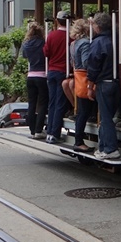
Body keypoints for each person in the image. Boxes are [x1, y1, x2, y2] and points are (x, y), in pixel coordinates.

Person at [87, 12, 121, 160]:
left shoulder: (98, 42)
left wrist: (90, 85)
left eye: (94, 24)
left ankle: (110, 148)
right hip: (117, 82)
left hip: (104, 83)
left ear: (98, 27)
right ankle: (103, 147)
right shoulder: (117, 40)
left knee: (105, 117)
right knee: (110, 116)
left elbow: (93, 65)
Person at [43, 10, 73, 144]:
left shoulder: (51, 35)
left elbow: (46, 52)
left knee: (52, 102)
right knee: (60, 103)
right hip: (63, 71)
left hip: (51, 71)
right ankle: (55, 133)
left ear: (57, 21)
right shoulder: (70, 37)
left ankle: (49, 132)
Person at [67, 18, 95, 152]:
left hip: (77, 77)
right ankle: (79, 141)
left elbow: (73, 62)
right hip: (84, 78)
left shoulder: (73, 44)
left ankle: (79, 140)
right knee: (84, 112)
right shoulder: (85, 43)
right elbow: (86, 63)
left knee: (81, 111)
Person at [21, 21, 48, 140]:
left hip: (30, 75)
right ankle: (38, 130)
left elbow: (24, 56)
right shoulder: (43, 43)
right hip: (42, 75)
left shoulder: (26, 44)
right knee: (42, 103)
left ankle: (32, 130)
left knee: (31, 103)